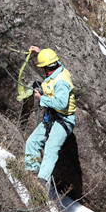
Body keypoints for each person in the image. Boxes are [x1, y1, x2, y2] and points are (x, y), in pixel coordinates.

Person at [24, 46, 76, 189]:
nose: (42, 70)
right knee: (32, 142)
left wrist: (41, 98)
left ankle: (40, 182)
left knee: (51, 148)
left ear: (46, 67)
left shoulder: (61, 81)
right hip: (52, 117)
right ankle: (31, 173)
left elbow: (62, 104)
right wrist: (40, 53)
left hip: (63, 120)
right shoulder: (59, 69)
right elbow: (51, 61)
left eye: (43, 67)